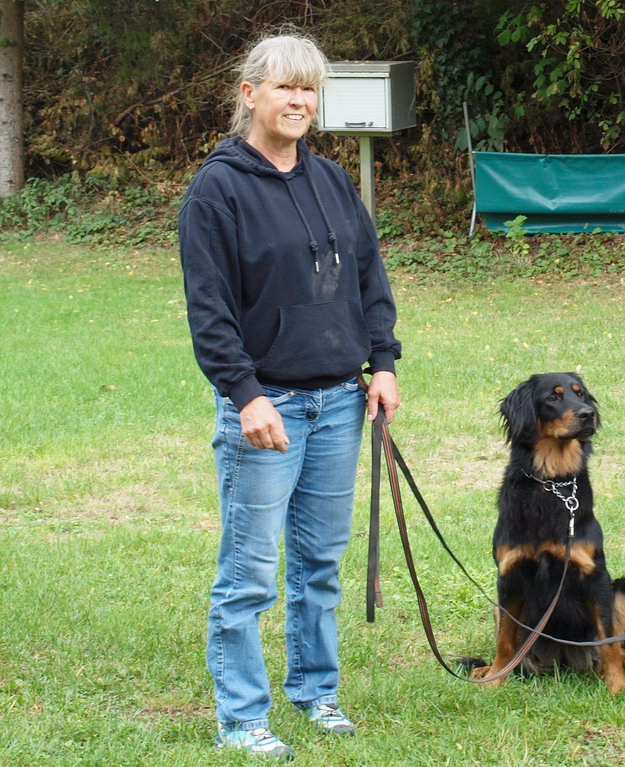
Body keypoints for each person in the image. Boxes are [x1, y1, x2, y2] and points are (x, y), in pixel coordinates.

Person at [178, 33, 401, 759]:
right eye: (285, 88)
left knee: (318, 564)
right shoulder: (218, 188)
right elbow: (209, 312)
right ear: (250, 94)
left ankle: (315, 689)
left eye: (310, 90)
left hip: (340, 402)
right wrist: (245, 396)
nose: (300, 102)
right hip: (266, 409)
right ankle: (242, 715)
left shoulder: (330, 179)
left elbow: (369, 276)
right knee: (249, 574)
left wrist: (384, 364)